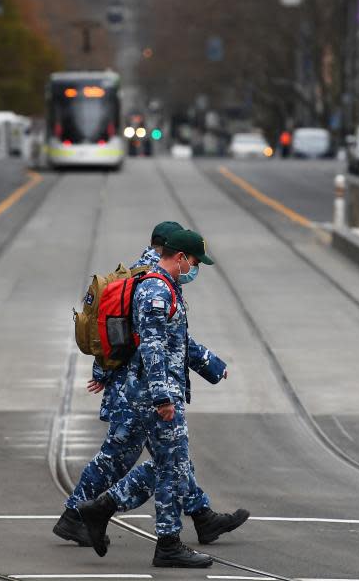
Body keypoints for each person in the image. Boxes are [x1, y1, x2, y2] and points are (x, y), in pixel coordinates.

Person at [54, 223, 247, 553]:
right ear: (171, 251)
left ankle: (199, 516)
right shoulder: (152, 280)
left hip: (138, 386)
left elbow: (170, 340)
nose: (194, 269)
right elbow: (146, 338)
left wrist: (211, 366)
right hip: (142, 389)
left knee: (169, 459)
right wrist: (151, 389)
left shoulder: (151, 276)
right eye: (194, 262)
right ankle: (87, 514)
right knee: (132, 459)